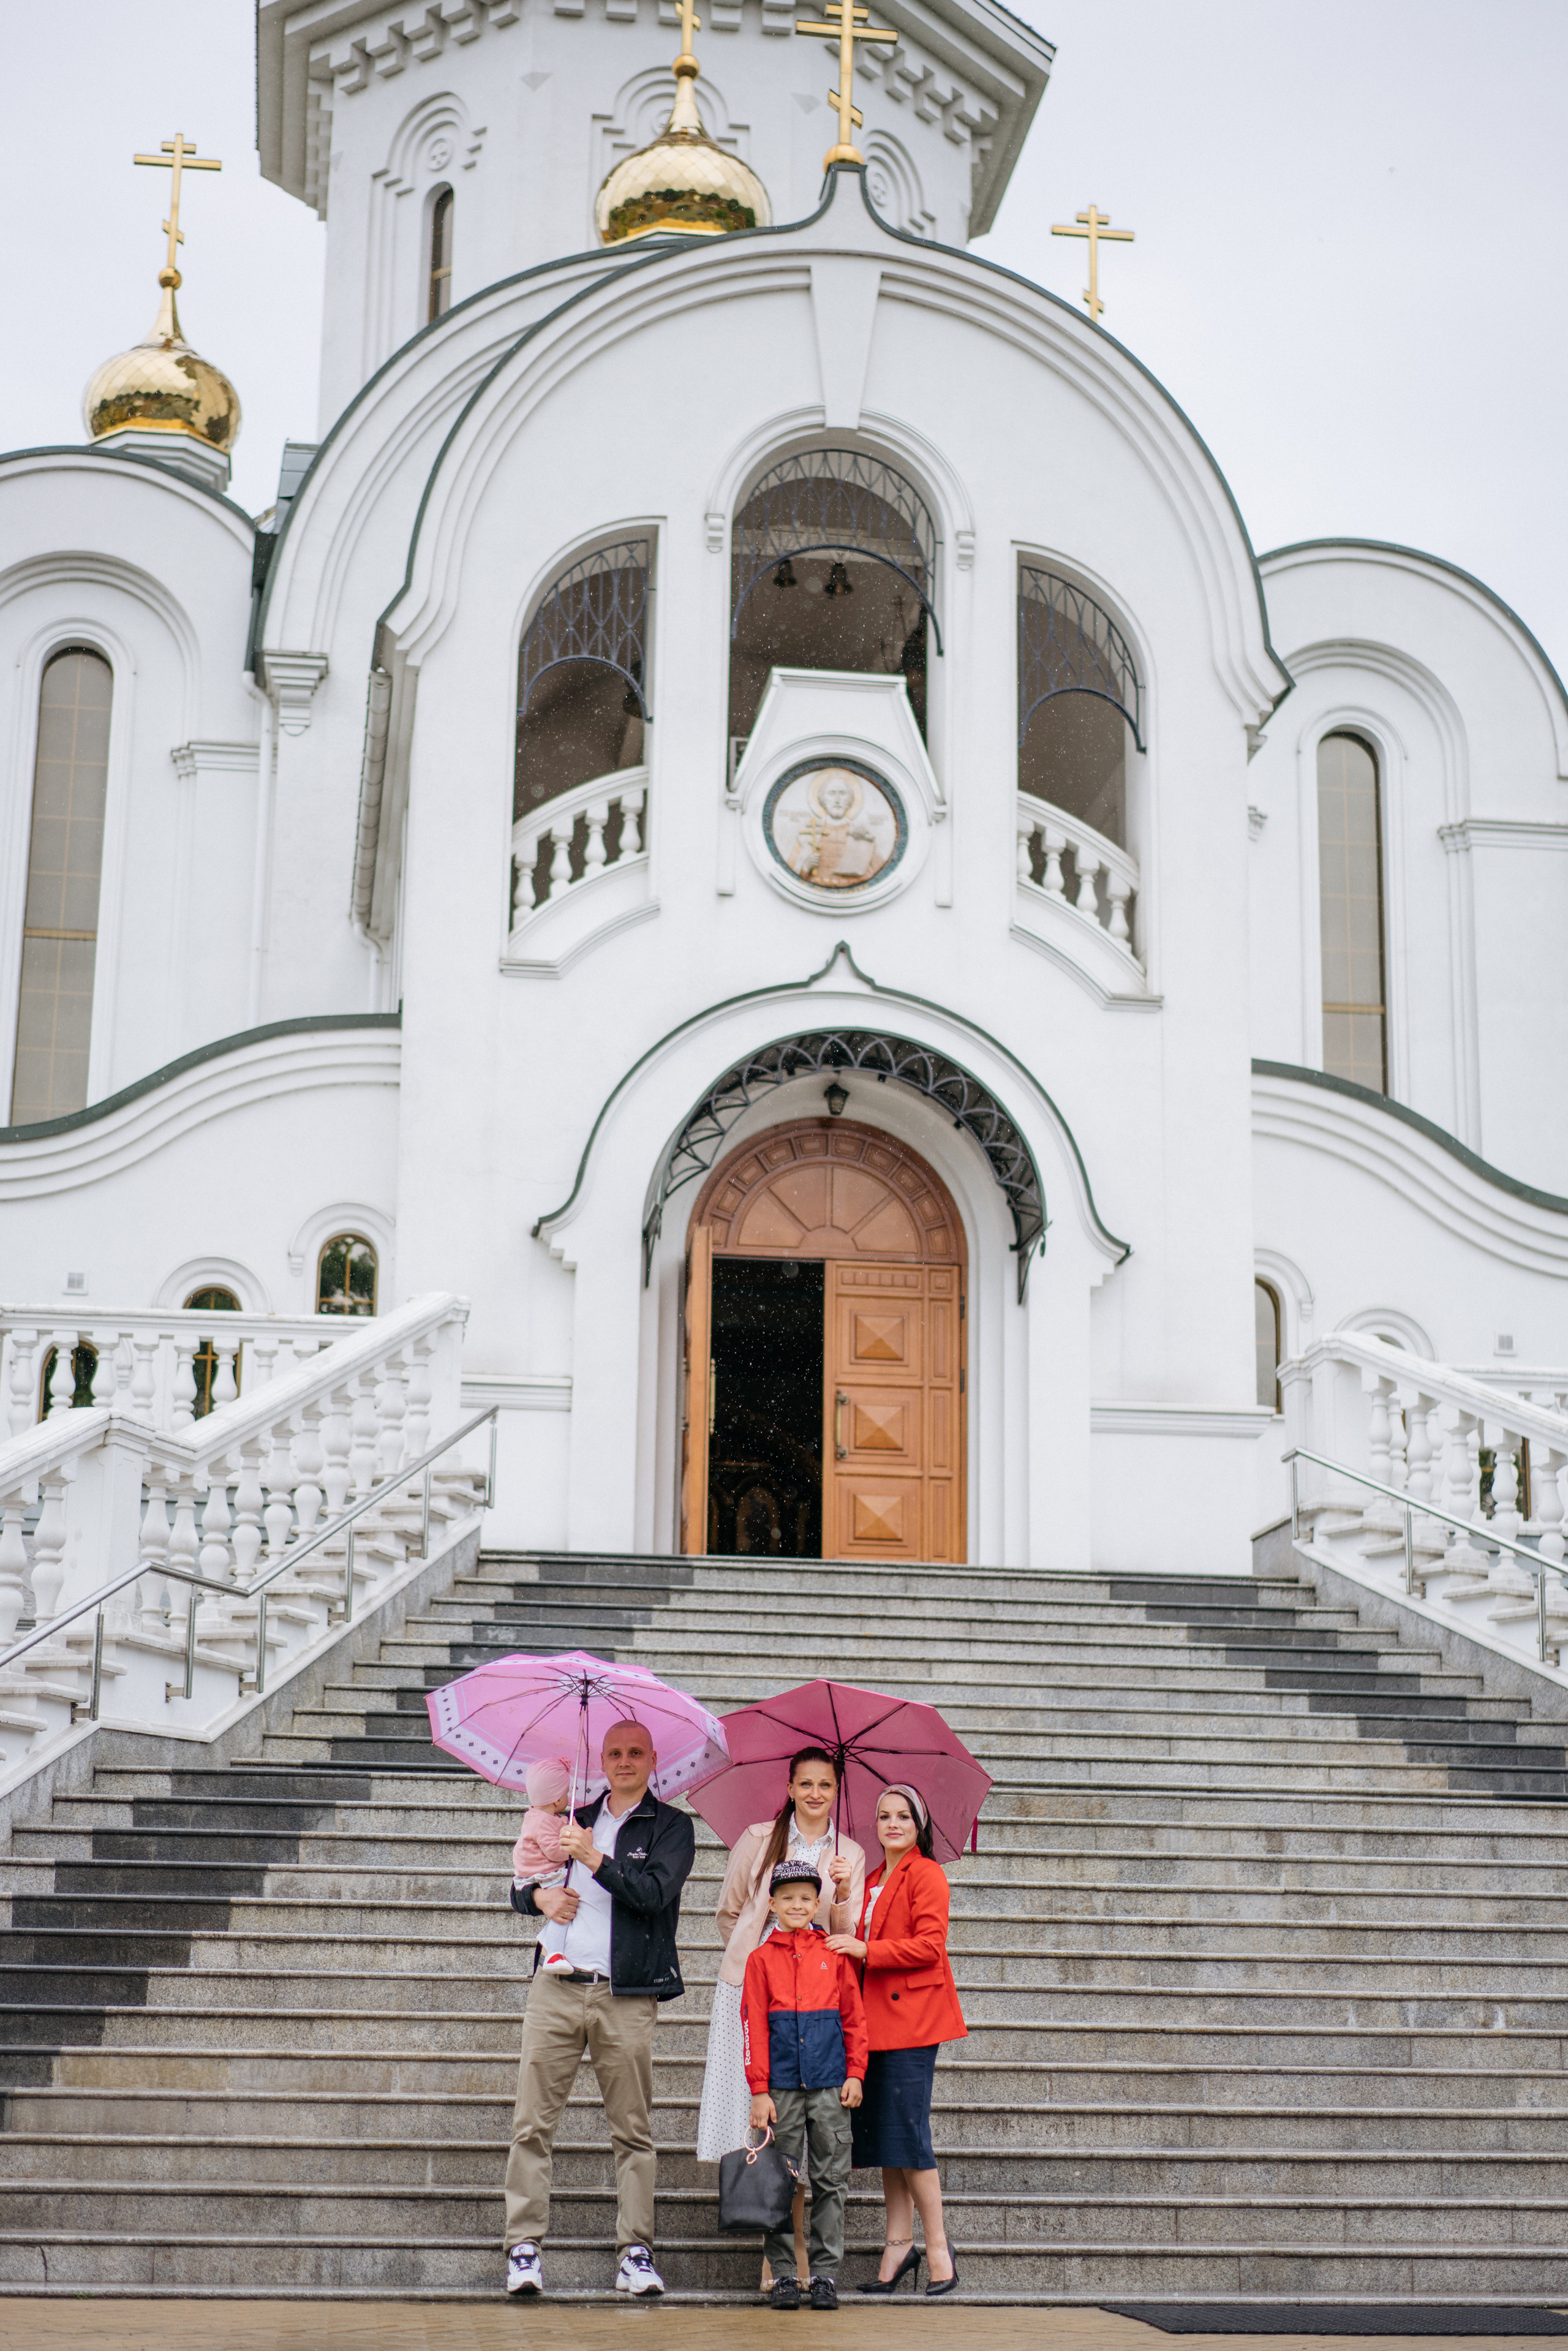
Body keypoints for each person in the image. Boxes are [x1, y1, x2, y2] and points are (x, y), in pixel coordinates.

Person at [502, 1721, 695, 2300]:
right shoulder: (570, 1816)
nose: (625, 1760)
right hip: (557, 1986)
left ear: (652, 1759)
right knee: (532, 2123)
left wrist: (593, 1858)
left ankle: (636, 2253)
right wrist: (538, 1896)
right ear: (602, 1759)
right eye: (615, 1752)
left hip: (626, 1992)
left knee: (632, 2131)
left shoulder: (671, 1826)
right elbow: (520, 1883)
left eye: (636, 1752)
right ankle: (523, 2248)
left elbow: (654, 1895)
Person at [698, 1745, 866, 2289]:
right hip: (757, 1982)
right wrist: (758, 1963)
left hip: (816, 1991)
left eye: (826, 1785)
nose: (815, 1793)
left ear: (837, 1791)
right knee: (769, 2117)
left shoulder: (851, 1852)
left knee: (806, 2130)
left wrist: (840, 1890)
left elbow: (846, 1929)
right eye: (805, 1784)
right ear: (790, 1787)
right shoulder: (757, 1838)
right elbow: (730, 1910)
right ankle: (779, 2252)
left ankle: (801, 2261)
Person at [826, 1782, 966, 2298]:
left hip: (912, 2023)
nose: (892, 1824)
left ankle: (939, 2251)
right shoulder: (874, 1877)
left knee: (909, 2136)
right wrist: (843, 1893)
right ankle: (897, 2245)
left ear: (919, 1825)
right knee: (887, 2138)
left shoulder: (925, 1873)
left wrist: (868, 1949)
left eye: (903, 1817)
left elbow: (930, 1946)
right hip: (873, 2025)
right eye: (884, 1816)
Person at [742, 1859, 868, 2312]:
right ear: (772, 1904)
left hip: (831, 2084)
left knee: (831, 2179)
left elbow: (854, 2018)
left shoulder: (833, 1955)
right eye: (787, 1898)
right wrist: (759, 2089)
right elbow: (752, 2026)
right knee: (780, 2181)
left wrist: (856, 2071)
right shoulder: (760, 1961)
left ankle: (824, 2274)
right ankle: (781, 2273)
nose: (797, 1905)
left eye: (806, 1898)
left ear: (819, 1903)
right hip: (780, 2090)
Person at [511, 1758, 575, 1970]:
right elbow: (555, 1852)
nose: (568, 1796)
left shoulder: (544, 1816)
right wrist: (576, 1847)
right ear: (558, 1800)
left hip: (539, 1872)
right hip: (541, 1875)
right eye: (567, 1792)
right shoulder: (541, 1821)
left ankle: (549, 1941)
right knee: (564, 1908)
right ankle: (555, 1954)